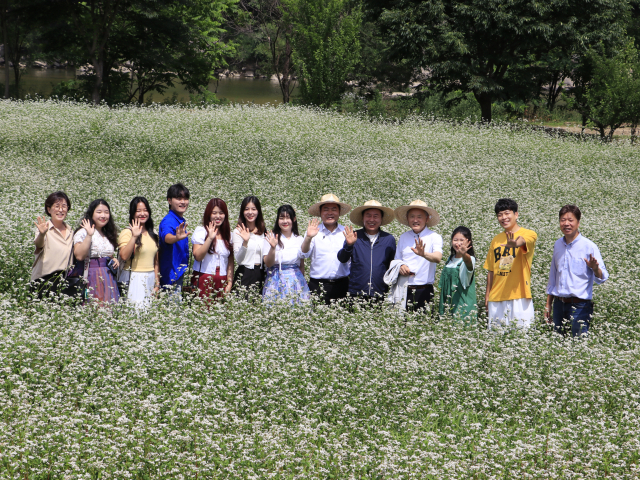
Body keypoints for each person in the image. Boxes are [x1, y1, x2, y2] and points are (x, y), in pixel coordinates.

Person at [545, 205, 608, 337]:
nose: (566, 223)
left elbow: (602, 277)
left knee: (578, 343)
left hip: (580, 306)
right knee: (558, 343)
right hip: (558, 304)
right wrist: (548, 305)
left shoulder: (589, 246)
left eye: (570, 220)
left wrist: (595, 268)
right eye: (563, 220)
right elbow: (553, 276)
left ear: (578, 223)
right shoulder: (557, 245)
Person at [484, 198, 537, 330]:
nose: (503, 217)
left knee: (523, 336)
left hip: (519, 296)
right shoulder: (496, 240)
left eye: (507, 213)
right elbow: (491, 270)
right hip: (496, 297)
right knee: (495, 339)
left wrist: (515, 244)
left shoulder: (529, 234)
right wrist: (487, 296)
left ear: (516, 214)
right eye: (500, 215)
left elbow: (523, 241)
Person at [337, 200, 396, 304]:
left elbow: (392, 264)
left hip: (379, 291)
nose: (372, 219)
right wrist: (349, 245)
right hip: (356, 292)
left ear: (381, 219)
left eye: (376, 216)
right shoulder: (354, 236)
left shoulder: (388, 239)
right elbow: (342, 259)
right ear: (362, 218)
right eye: (368, 216)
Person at [301, 194, 352, 305]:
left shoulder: (345, 232)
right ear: (320, 213)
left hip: (342, 285)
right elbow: (304, 254)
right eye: (326, 209)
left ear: (339, 212)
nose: (330, 213)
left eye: (334, 209)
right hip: (317, 285)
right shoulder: (314, 231)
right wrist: (308, 238)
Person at [393, 200, 443, 311]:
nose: (415, 220)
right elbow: (397, 259)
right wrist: (401, 266)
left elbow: (438, 257)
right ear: (407, 218)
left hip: (424, 291)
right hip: (404, 289)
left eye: (419, 217)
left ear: (427, 218)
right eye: (412, 216)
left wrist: (423, 254)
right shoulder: (403, 237)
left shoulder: (434, 237)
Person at [73, 199, 120, 304]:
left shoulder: (107, 233)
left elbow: (105, 253)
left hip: (108, 277)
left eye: (106, 212)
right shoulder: (83, 232)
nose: (103, 216)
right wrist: (89, 235)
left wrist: (113, 259)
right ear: (91, 214)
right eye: (99, 212)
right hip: (91, 276)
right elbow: (79, 256)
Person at [262, 205, 310, 304]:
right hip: (275, 280)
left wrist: (301, 285)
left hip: (295, 281)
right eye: (281, 218)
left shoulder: (299, 239)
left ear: (294, 219)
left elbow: (301, 265)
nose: (285, 221)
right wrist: (273, 247)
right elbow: (268, 264)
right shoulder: (270, 237)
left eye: (288, 217)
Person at [118, 197, 159, 308]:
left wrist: (157, 283)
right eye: (138, 211)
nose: (142, 213)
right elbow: (124, 256)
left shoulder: (153, 233)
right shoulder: (127, 232)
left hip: (150, 278)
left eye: (145, 210)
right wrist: (134, 237)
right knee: (135, 312)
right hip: (134, 277)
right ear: (132, 213)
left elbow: (155, 261)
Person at [30, 191, 74, 298]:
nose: (60, 210)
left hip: (66, 282)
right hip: (45, 281)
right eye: (57, 206)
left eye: (64, 206)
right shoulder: (44, 228)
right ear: (49, 209)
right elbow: (39, 245)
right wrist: (42, 234)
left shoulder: (71, 230)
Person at [192, 198, 234, 300]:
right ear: (208, 214)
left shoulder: (229, 235)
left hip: (222, 279)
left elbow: (230, 262)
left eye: (221, 213)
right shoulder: (201, 232)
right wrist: (210, 238)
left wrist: (229, 282)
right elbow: (198, 256)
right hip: (203, 277)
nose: (218, 216)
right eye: (214, 213)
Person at [438, 226, 477, 325]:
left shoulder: (470, 258)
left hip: (462, 304)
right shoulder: (450, 259)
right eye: (455, 240)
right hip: (447, 303)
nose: (458, 243)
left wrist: (464, 254)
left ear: (468, 242)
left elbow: (468, 264)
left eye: (461, 240)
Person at [159, 183, 190, 300]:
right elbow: (166, 237)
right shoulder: (168, 221)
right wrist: (176, 238)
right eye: (179, 198)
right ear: (169, 201)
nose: (183, 202)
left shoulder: (179, 220)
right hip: (170, 275)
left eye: (185, 198)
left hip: (178, 273)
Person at [232, 195, 266, 294]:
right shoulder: (238, 231)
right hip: (244, 274)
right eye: (247, 209)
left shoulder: (263, 232)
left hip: (260, 274)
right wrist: (245, 242)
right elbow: (238, 259)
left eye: (253, 209)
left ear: (258, 211)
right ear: (242, 212)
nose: (250, 212)